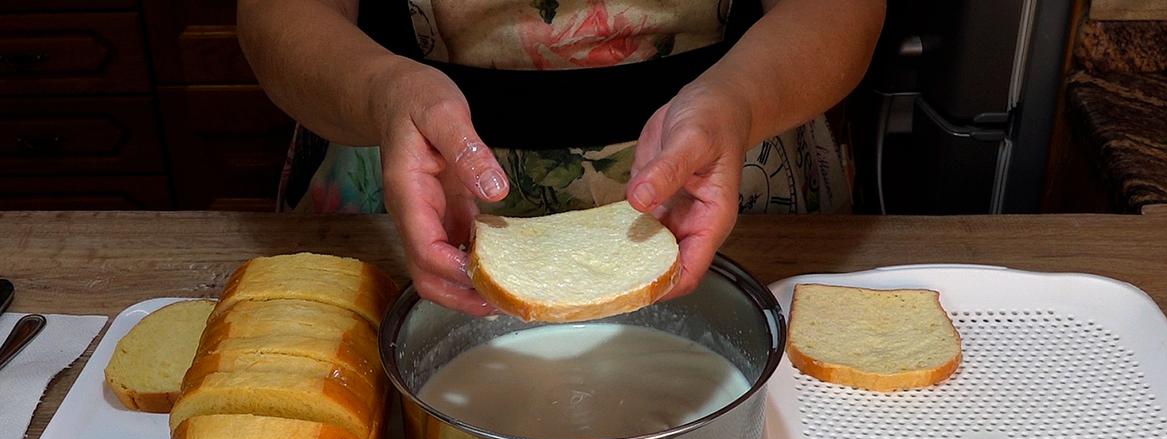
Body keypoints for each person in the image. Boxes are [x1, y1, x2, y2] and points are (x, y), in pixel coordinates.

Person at [238, 0, 885, 315]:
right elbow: (278, 16)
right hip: (411, 172)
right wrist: (382, 92)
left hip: (724, 164)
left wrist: (740, 100)